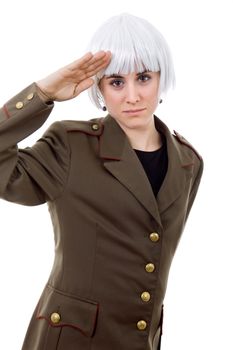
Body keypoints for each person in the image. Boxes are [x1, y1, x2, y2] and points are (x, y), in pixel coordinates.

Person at [0, 13, 203, 350]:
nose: (133, 96)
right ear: (99, 87)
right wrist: (42, 92)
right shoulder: (70, 145)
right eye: (116, 82)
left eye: (143, 77)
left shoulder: (188, 162)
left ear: (160, 78)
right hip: (71, 341)